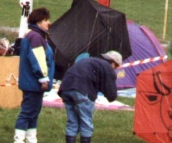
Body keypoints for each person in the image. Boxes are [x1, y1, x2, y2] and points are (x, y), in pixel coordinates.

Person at [58, 50, 122, 143]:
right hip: (82, 90)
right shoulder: (107, 67)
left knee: (72, 122)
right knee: (86, 123)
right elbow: (111, 94)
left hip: (65, 88)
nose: (115, 69)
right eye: (116, 66)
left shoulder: (90, 61)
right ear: (113, 63)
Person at [14, 7, 55, 143]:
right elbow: (38, 60)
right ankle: (19, 140)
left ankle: (31, 139)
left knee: (33, 114)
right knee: (27, 113)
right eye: (45, 20)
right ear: (38, 22)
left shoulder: (32, 35)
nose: (49, 23)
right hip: (34, 83)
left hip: (32, 82)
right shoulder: (36, 37)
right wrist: (43, 78)